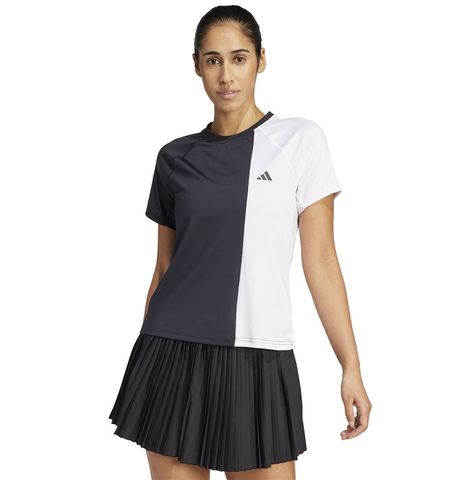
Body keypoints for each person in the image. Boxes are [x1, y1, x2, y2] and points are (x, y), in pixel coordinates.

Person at [108, 5, 372, 480]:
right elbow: (164, 270)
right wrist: (148, 360)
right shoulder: (174, 158)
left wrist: (349, 364)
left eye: (238, 58)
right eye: (212, 60)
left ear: (261, 60)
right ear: (196, 66)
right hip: (171, 351)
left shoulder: (300, 141)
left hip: (258, 355)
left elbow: (322, 261)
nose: (226, 76)